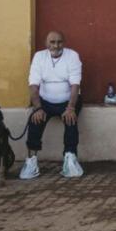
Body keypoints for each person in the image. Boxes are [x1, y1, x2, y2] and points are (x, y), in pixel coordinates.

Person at [20, 31, 83, 180]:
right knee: (35, 120)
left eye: (59, 42)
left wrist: (70, 108)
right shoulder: (39, 57)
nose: (56, 45)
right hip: (45, 100)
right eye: (52, 42)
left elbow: (75, 85)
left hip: (68, 100)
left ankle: (70, 159)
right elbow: (33, 85)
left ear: (64, 42)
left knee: (70, 120)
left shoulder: (72, 56)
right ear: (46, 43)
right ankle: (31, 162)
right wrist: (38, 108)